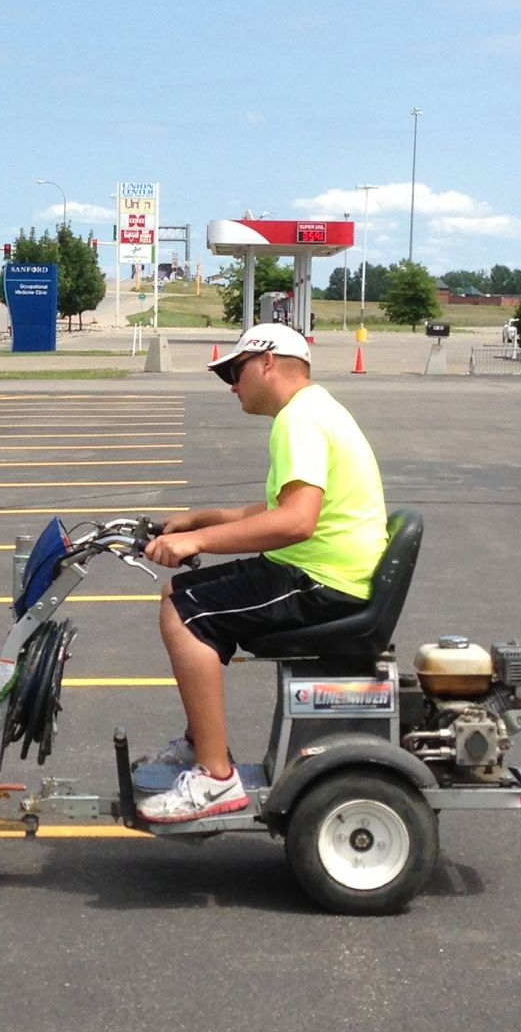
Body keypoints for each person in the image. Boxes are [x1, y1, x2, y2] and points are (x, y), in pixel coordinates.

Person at [138, 322, 388, 822]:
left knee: (187, 612)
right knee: (178, 595)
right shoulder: (317, 408)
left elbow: (297, 521)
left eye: (236, 370)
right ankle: (199, 743)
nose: (232, 384)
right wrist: (201, 520)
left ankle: (214, 778)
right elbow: (280, 506)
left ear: (268, 361)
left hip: (321, 580)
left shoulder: (299, 420)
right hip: (325, 570)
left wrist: (197, 541)